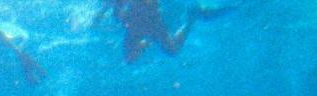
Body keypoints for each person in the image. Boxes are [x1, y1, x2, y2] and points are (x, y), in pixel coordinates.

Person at [98, 0, 232, 64]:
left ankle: (192, 17)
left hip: (148, 22)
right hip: (139, 24)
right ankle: (192, 17)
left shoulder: (148, 15)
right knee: (171, 50)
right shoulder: (122, 12)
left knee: (172, 50)